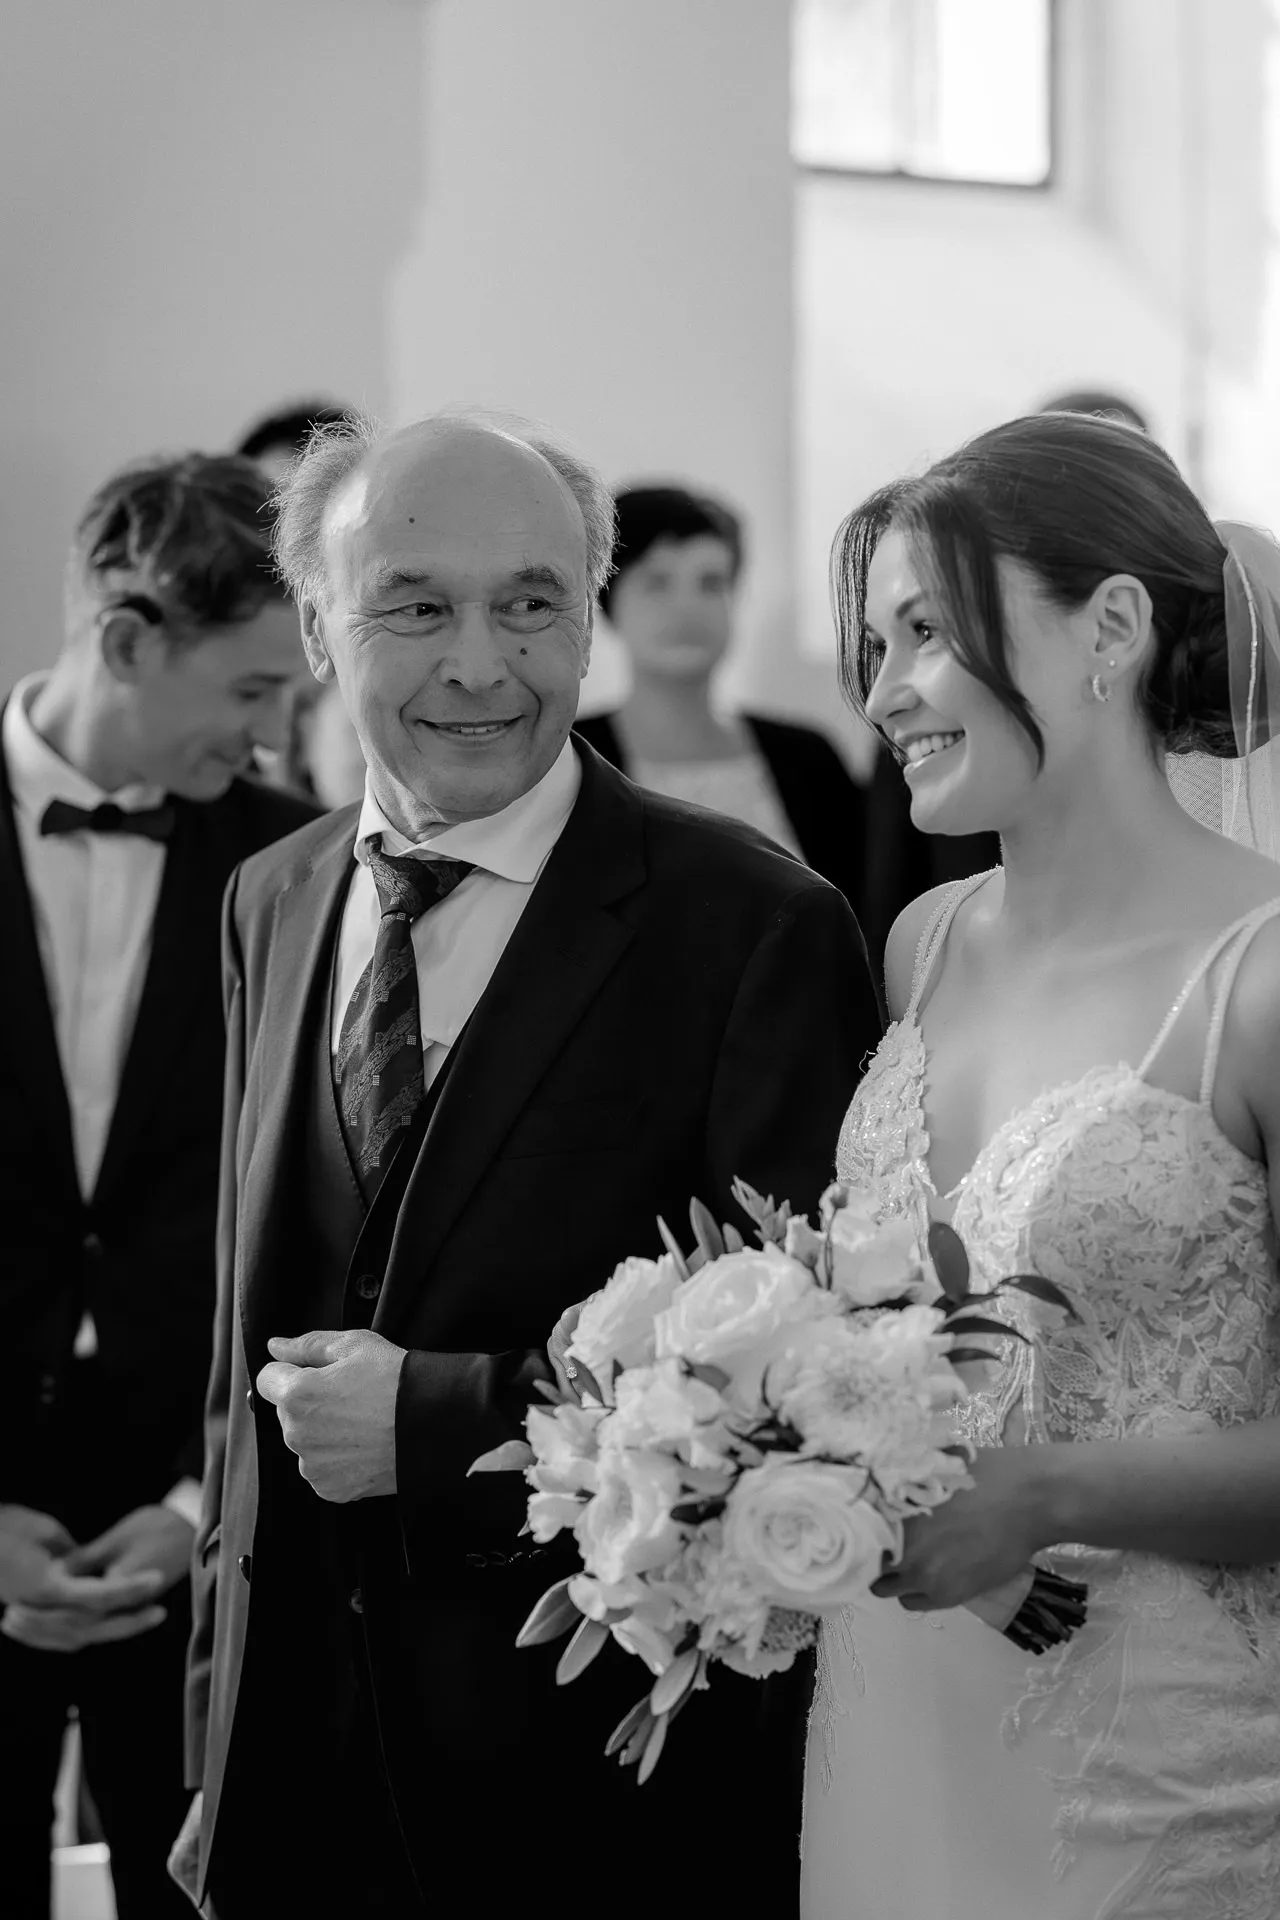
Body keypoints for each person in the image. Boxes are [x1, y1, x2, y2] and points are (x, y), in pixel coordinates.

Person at [176, 409, 881, 1917]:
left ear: (590, 615)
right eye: (417, 607)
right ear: (315, 625)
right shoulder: (269, 898)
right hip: (294, 1771)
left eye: (532, 604)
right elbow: (236, 1357)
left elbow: (809, 1390)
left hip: (595, 1795)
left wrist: (430, 1423)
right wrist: (211, 1751)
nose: (482, 665)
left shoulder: (756, 928)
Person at [802, 412, 1280, 1916]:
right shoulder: (921, 946)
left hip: (1151, 1775)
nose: (883, 693)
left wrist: (1041, 1487)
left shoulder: (1259, 979)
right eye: (873, 644)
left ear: (1114, 630)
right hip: (891, 1708)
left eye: (928, 631)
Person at [0, 453, 319, 1919]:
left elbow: (319, 1207)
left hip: (193, 1525)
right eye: (252, 691)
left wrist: (204, 1500)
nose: (275, 736)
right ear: (127, 641)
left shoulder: (295, 868)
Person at [574, 484, 866, 912]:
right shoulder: (568, 758)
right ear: (606, 601)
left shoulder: (809, 759)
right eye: (657, 583)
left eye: (711, 583)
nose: (686, 607)